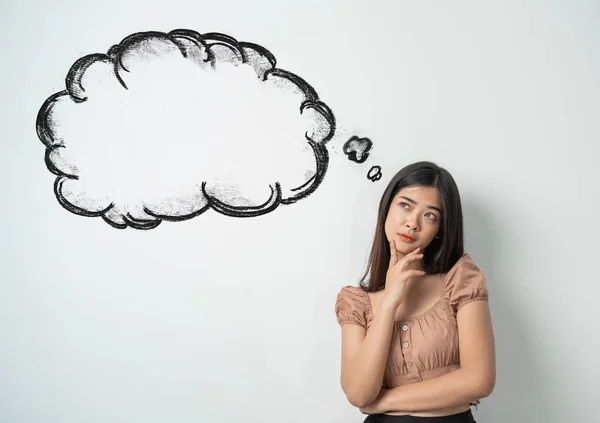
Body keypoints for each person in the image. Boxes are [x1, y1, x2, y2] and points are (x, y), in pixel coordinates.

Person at [335, 161, 495, 422]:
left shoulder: (461, 282)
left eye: (430, 215)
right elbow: (359, 394)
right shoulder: (356, 302)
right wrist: (389, 304)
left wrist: (384, 401)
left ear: (440, 230)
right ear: (387, 208)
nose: (413, 223)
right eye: (405, 205)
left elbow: (480, 380)